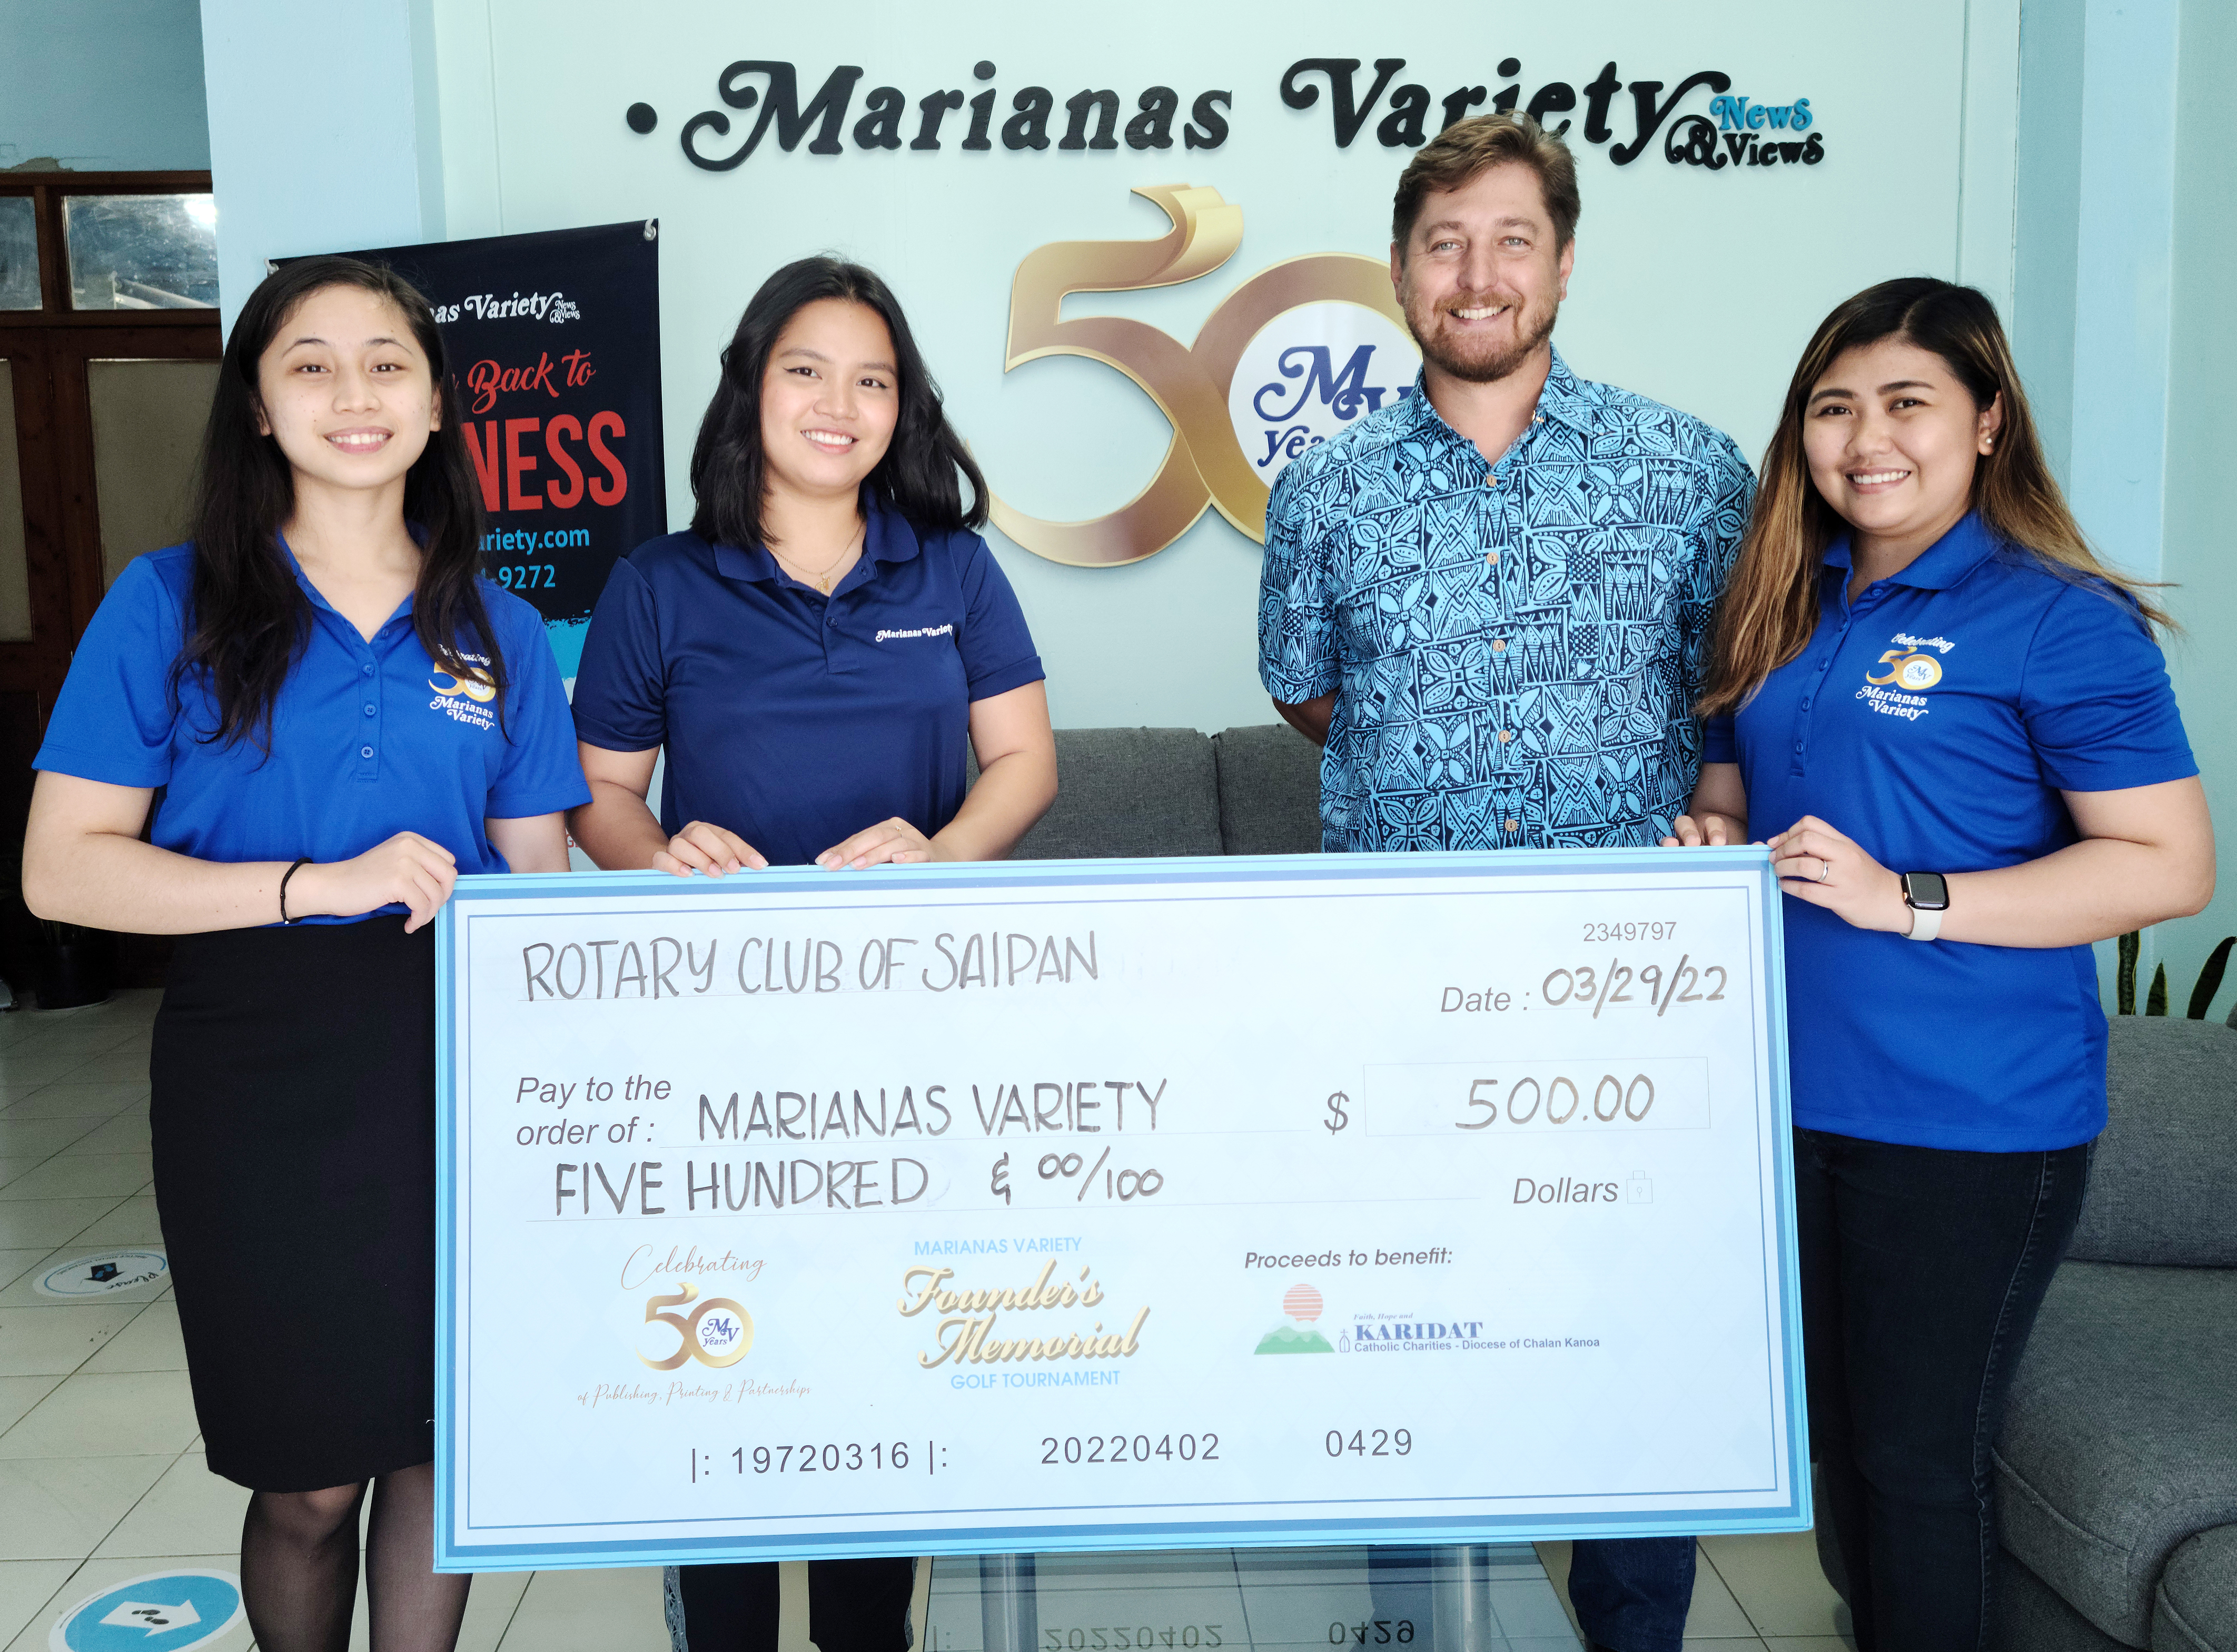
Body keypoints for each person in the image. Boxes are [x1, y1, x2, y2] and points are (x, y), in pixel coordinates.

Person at [21, 256, 589, 1651]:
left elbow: (540, 880)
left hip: (454, 1061)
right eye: (311, 363)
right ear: (260, 408)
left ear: (440, 401)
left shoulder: (501, 629)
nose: (355, 393)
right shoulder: (169, 606)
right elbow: (60, 867)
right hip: (254, 1067)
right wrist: (307, 884)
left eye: (389, 361)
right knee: (310, 1477)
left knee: (442, 1448)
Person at [1256, 112, 1751, 1652]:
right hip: (1396, 986)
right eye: (1445, 243)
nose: (1478, 274)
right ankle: (1410, 1616)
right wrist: (1435, 763)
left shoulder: (1691, 468)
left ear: (1564, 259)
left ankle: (1632, 1629)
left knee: (1629, 1322)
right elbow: (1304, 686)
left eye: (1510, 239)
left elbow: (1728, 684)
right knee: (1402, 1306)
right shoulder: (1326, 488)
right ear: (1403, 272)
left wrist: (1715, 793)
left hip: (1626, 990)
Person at [1664, 278, 2211, 1650]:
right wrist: (1715, 823)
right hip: (1793, 1100)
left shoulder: (2058, 619)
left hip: (1969, 1115)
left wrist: (1910, 895)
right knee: (1837, 1457)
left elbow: (2164, 862)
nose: (1865, 439)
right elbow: (1735, 757)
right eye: (1833, 407)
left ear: (1987, 421)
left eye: (1907, 402)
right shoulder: (1791, 597)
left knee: (1916, 1466)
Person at [566, 255, 1056, 1651]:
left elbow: (1022, 762)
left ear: (903, 409)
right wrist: (655, 854)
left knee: (871, 1365)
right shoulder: (660, 581)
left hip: (911, 1038)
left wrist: (944, 851)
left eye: (873, 379)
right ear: (750, 388)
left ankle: (867, 1632)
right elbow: (599, 791)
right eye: (807, 370)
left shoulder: (949, 566)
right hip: (717, 1044)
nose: (840, 404)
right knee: (723, 1361)